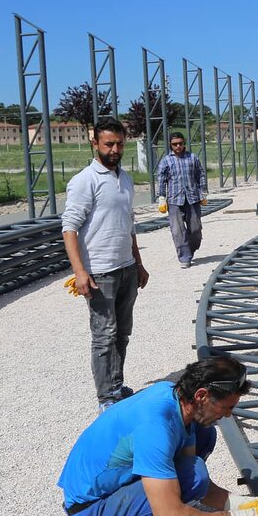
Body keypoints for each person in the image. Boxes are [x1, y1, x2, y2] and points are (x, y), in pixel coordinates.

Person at [58, 355, 258, 516]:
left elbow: (190, 469)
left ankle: (166, 510)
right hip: (91, 511)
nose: (228, 414)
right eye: (226, 407)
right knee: (180, 500)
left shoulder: (175, 395)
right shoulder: (156, 428)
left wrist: (238, 503)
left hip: (106, 490)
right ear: (202, 395)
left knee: (204, 436)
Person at [62, 119, 150, 411]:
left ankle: (116, 385)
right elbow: (69, 228)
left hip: (125, 267)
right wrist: (80, 272)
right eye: (109, 144)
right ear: (95, 144)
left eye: (119, 144)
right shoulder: (85, 181)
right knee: (104, 336)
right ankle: (106, 398)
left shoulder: (124, 179)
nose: (115, 149)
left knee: (122, 333)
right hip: (99, 272)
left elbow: (129, 224)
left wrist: (138, 263)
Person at [155, 130, 208, 269]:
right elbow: (161, 180)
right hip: (174, 200)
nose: (178, 146)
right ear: (170, 145)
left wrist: (203, 192)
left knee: (195, 229)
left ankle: (190, 248)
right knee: (178, 230)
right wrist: (161, 197)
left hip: (192, 198)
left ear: (184, 143)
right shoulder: (166, 161)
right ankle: (184, 257)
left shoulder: (193, 158)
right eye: (174, 144)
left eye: (180, 143)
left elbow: (200, 175)